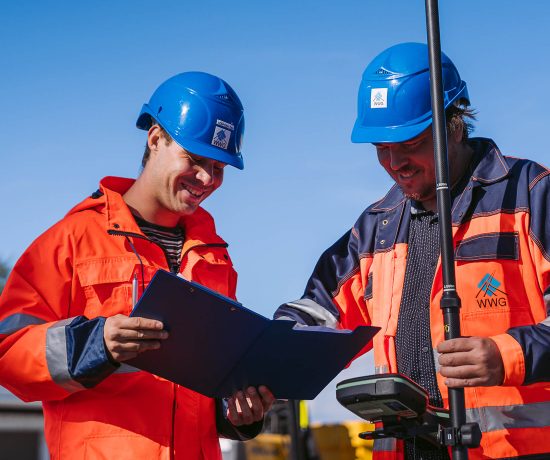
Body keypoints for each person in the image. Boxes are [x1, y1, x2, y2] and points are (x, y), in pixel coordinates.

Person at [275, 42, 550, 459]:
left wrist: (507, 355)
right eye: (381, 149)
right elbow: (316, 316)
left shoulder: (531, 195)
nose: (394, 162)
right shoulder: (374, 228)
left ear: (454, 123)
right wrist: (263, 354)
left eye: (410, 143)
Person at [0, 71, 274, 459]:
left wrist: (237, 412)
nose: (207, 178)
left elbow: (205, 384)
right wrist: (97, 343)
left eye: (219, 168)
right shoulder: (71, 240)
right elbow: (7, 352)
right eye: (195, 160)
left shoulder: (214, 257)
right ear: (156, 138)